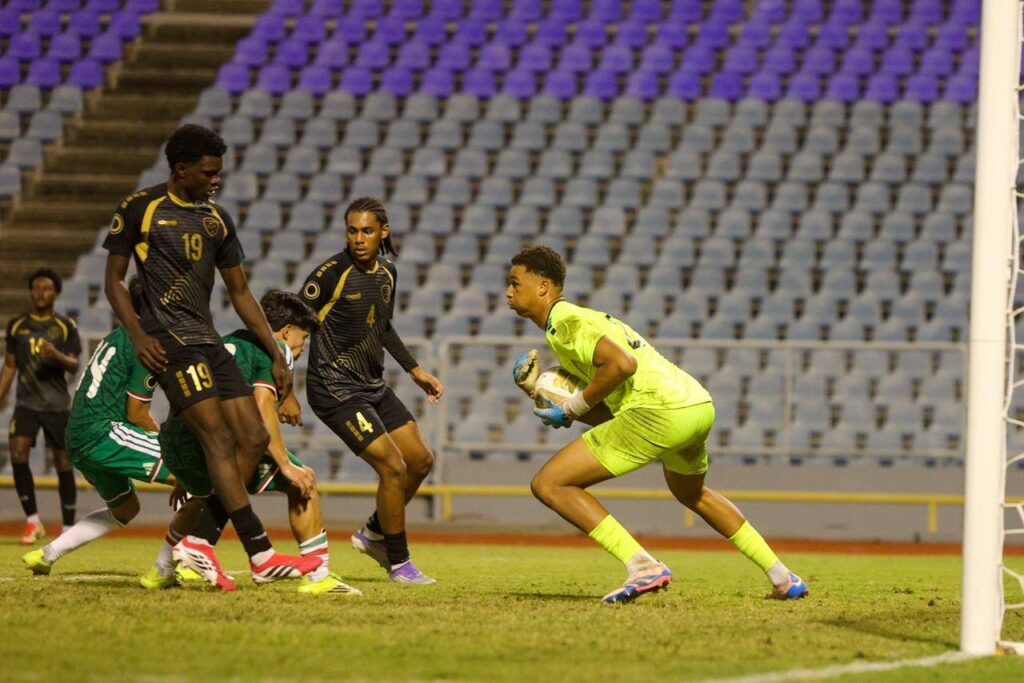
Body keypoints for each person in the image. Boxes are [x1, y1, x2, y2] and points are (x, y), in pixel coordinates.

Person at [506, 246, 808, 604]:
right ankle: (782, 577)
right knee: (692, 493)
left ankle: (642, 566)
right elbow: (614, 413)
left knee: (550, 483)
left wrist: (570, 406)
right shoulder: (581, 321)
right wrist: (549, 398)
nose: (508, 292)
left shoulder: (564, 323)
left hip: (658, 411)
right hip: (694, 405)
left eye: (515, 283)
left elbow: (622, 364)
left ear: (543, 287)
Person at [102, 124, 319, 590]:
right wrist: (138, 335)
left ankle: (199, 544)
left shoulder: (216, 219)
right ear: (181, 170)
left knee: (254, 438)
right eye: (208, 172)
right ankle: (259, 553)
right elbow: (114, 281)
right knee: (219, 441)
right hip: (169, 343)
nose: (216, 180)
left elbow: (239, 291)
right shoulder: (140, 209)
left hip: (208, 339)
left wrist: (274, 353)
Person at [152, 290, 360, 595]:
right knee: (304, 483)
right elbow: (262, 409)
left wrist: (192, 462)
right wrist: (287, 465)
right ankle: (319, 576)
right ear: (288, 331)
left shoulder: (230, 341)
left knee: (212, 492)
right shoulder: (277, 350)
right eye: (303, 338)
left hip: (179, 439)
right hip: (216, 442)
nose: (302, 348)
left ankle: (164, 568)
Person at [21, 277, 205, 585]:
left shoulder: (119, 336)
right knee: (201, 475)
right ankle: (177, 564)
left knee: (125, 508)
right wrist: (175, 457)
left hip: (78, 438)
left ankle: (46, 554)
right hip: (102, 432)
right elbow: (136, 413)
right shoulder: (146, 342)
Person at [298, 197, 443, 584]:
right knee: (393, 467)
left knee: (421, 460)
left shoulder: (388, 273)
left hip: (372, 386)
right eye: (352, 230)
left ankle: (375, 532)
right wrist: (282, 389)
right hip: (334, 389)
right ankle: (399, 563)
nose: (359, 238)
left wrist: (415, 370)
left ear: (384, 232)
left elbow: (383, 326)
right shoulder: (330, 275)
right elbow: (291, 325)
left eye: (366, 230)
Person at [0, 268, 82, 544]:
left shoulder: (65, 326)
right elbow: (9, 366)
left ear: (56, 293)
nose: (40, 293)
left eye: (46, 288)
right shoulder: (17, 325)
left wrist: (55, 354)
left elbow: (74, 365)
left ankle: (68, 526)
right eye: (36, 288)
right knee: (18, 453)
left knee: (63, 462)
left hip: (57, 405)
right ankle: (32, 521)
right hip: (27, 403)